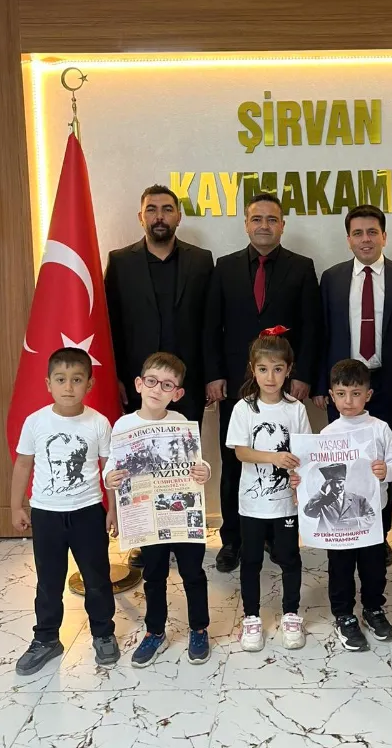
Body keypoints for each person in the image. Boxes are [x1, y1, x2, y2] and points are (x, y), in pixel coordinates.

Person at [205, 193, 321, 572]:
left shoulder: (302, 267)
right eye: (257, 219)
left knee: (282, 456)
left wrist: (302, 376)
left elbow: (311, 326)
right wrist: (215, 374)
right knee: (234, 460)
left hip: (284, 382)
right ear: (246, 224)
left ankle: (276, 536)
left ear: (282, 225)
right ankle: (233, 539)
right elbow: (212, 325)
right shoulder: (225, 267)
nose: (264, 225)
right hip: (236, 382)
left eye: (272, 219)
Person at [315, 205, 392, 566]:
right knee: (342, 463)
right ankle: (345, 529)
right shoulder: (332, 278)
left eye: (372, 232)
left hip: (388, 382)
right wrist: (321, 384)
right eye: (358, 233)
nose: (366, 239)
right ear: (348, 239)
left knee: (382, 463)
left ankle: (379, 535)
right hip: (343, 385)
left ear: (384, 236)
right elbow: (322, 333)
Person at [11, 347, 119, 676]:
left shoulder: (98, 423)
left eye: (76, 379)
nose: (68, 387)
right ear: (48, 384)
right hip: (46, 516)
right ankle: (46, 639)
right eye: (60, 379)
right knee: (48, 582)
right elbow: (23, 465)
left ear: (89, 384)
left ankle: (103, 633)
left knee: (97, 579)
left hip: (88, 513)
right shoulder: (36, 422)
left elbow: (109, 469)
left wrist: (113, 509)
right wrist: (16, 505)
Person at [104, 352, 212, 667]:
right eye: (152, 381)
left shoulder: (180, 423)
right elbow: (112, 464)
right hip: (148, 519)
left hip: (182, 516)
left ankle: (199, 628)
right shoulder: (124, 425)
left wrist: (204, 470)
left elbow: (197, 462)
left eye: (167, 385)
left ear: (177, 393)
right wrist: (109, 478)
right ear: (139, 384)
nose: (157, 389)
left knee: (193, 573)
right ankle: (155, 630)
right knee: (153, 575)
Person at [295, 359, 392, 652]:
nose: (349, 401)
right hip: (336, 525)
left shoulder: (379, 428)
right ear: (331, 396)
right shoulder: (327, 434)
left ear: (368, 395)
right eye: (342, 394)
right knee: (340, 568)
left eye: (356, 393)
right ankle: (344, 614)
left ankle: (373, 608)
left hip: (371, 517)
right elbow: (311, 474)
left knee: (374, 568)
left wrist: (387, 470)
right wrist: (300, 482)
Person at [225, 329, 311, 652]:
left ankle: (291, 613)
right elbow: (240, 452)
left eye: (277, 369)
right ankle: (251, 617)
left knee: (289, 558)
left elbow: (304, 452)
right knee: (251, 561)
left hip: (286, 503)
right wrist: (274, 457)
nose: (270, 377)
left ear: (288, 370)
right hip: (252, 504)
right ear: (253, 369)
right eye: (263, 369)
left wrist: (298, 477)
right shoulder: (244, 409)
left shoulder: (295, 408)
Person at [104, 185, 214, 423]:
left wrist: (212, 375)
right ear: (140, 217)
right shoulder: (120, 262)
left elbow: (211, 323)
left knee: (186, 446)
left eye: (167, 209)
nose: (160, 216)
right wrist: (115, 378)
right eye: (151, 210)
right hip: (138, 383)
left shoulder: (201, 260)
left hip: (188, 382)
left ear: (179, 217)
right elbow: (110, 323)